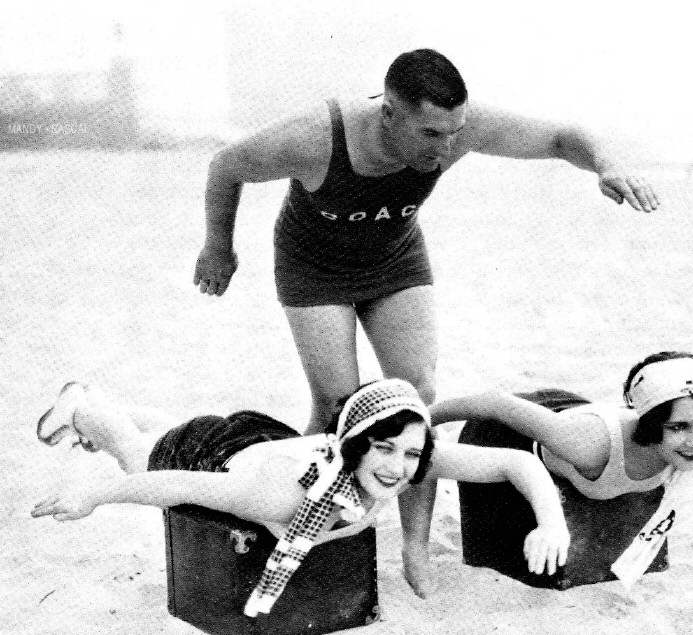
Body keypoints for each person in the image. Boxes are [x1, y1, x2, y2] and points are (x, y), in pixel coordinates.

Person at [193, 48, 659, 593]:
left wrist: (607, 163)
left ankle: (414, 545)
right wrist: (217, 247)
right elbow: (225, 166)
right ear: (388, 111)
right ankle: (303, 521)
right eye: (430, 134)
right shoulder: (317, 137)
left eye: (453, 132)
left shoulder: (459, 128)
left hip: (394, 261)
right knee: (337, 400)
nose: (445, 148)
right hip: (312, 266)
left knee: (417, 395)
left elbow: (561, 138)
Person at [32, 378, 569, 616]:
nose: (398, 467)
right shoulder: (280, 497)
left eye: (410, 454)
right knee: (138, 453)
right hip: (215, 456)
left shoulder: (410, 456)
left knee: (153, 439)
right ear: (355, 445)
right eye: (384, 449)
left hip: (268, 441)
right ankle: (82, 406)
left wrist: (552, 524)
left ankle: (114, 410)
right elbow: (176, 486)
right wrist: (95, 495)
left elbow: (516, 461)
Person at [426, 351, 693, 576]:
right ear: (653, 424)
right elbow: (495, 405)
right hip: (516, 431)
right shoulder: (587, 445)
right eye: (679, 428)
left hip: (578, 420)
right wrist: (421, 420)